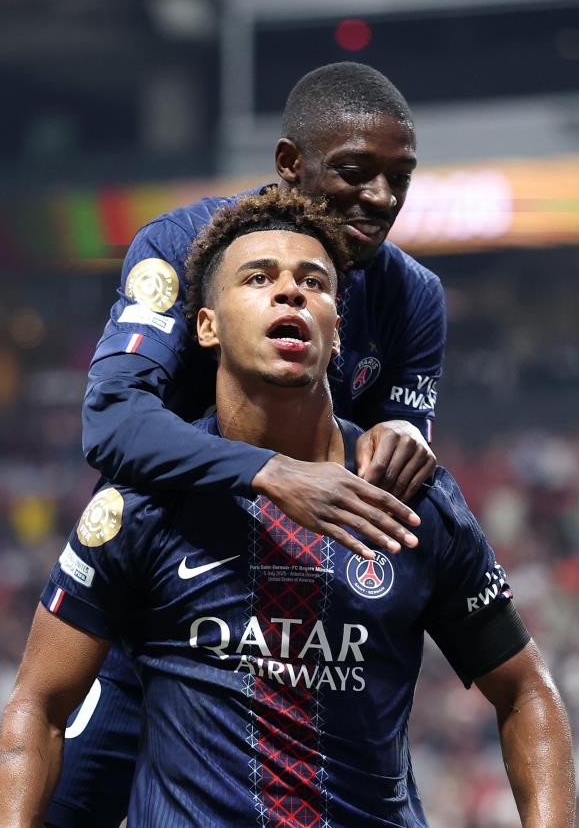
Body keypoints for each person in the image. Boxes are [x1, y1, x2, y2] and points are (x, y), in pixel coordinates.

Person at [0, 190, 576, 828]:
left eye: (313, 282)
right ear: (206, 326)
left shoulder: (408, 496)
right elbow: (38, 707)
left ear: (337, 330)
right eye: (258, 278)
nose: (290, 291)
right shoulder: (146, 503)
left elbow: (526, 692)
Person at [55, 62, 448, 827]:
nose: (381, 198)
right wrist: (270, 473)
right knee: (66, 803)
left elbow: (395, 489)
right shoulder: (182, 247)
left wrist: (406, 436)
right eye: (355, 172)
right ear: (290, 164)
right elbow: (110, 420)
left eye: (399, 178)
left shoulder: (413, 298)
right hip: (166, 603)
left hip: (309, 635)